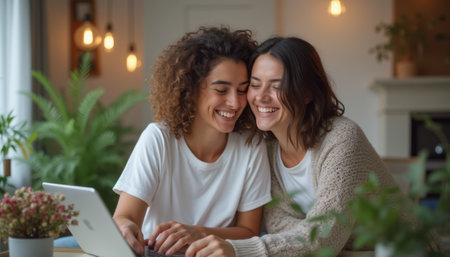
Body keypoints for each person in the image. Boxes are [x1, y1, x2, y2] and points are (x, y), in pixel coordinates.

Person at [184, 36, 402, 257]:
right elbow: (280, 228)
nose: (260, 96)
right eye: (255, 84)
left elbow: (322, 239)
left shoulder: (342, 139)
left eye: (277, 86)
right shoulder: (263, 149)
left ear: (307, 92)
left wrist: (238, 250)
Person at [112, 27, 272, 256]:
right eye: (221, 90)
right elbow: (125, 217)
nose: (235, 103)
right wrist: (126, 228)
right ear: (192, 89)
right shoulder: (159, 138)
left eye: (242, 90)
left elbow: (249, 231)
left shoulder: (251, 146)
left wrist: (199, 233)